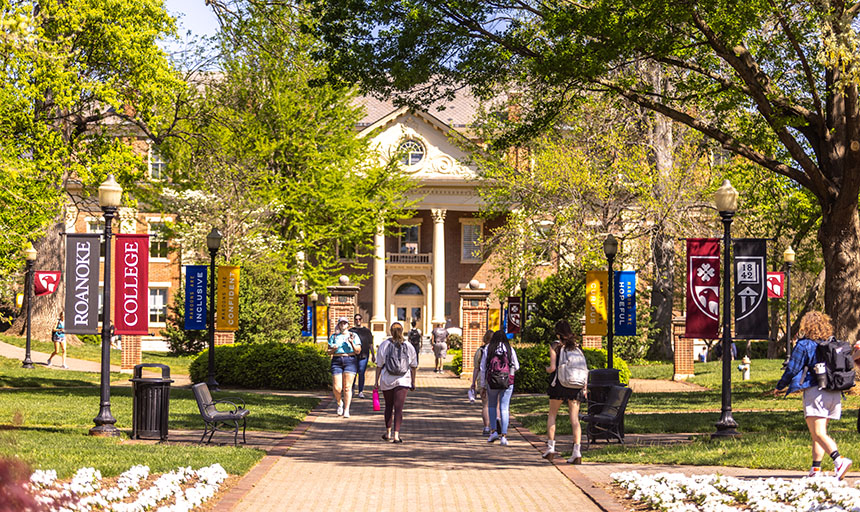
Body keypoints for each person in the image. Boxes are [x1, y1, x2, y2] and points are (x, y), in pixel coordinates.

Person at [775, 311, 852, 479]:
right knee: (818, 432)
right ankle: (815, 469)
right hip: (835, 392)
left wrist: (780, 386)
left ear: (806, 326)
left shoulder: (804, 345)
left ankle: (839, 460)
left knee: (818, 433)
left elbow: (793, 368)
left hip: (816, 392)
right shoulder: (832, 344)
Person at [542, 319, 588, 463]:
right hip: (576, 385)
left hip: (559, 384)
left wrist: (546, 370)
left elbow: (553, 368)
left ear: (558, 333)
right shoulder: (577, 346)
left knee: (552, 415)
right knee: (575, 419)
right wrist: (584, 387)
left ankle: (550, 448)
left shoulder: (555, 345)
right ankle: (577, 452)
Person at [374, 322, 418, 443]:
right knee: (399, 408)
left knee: (389, 406)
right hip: (403, 380)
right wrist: (413, 381)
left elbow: (379, 365)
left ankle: (388, 433)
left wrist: (376, 381)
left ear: (390, 331)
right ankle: (396, 436)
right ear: (402, 330)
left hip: (387, 379)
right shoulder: (408, 346)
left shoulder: (384, 345)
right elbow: (413, 366)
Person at [480, 330, 520, 446]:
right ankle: (504, 436)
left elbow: (483, 368)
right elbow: (516, 366)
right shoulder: (509, 348)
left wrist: (482, 385)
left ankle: (493, 432)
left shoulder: (488, 348)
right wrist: (509, 374)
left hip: (492, 381)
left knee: (492, 405)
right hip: (507, 382)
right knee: (504, 407)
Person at [327, 317, 361, 418]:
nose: (343, 325)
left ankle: (346, 409)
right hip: (337, 360)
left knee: (347, 387)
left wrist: (351, 343)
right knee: (337, 387)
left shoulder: (353, 335)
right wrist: (333, 349)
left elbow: (358, 351)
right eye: (341, 323)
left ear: (348, 325)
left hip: (350, 360)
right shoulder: (334, 336)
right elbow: (328, 351)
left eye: (345, 323)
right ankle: (339, 403)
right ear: (338, 324)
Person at [470, 329, 494, 435]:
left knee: (485, 404)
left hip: (483, 379)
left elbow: (476, 368)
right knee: (496, 404)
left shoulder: (481, 350)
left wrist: (473, 382)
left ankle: (486, 428)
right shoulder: (499, 350)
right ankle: (496, 428)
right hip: (496, 379)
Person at [350, 313, 375, 398]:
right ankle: (352, 389)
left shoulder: (367, 331)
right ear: (354, 320)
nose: (358, 321)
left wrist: (373, 355)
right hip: (353, 355)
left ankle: (360, 391)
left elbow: (370, 344)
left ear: (362, 320)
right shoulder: (351, 331)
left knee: (361, 372)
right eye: (356, 319)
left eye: (359, 319)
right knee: (353, 372)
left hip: (364, 355)